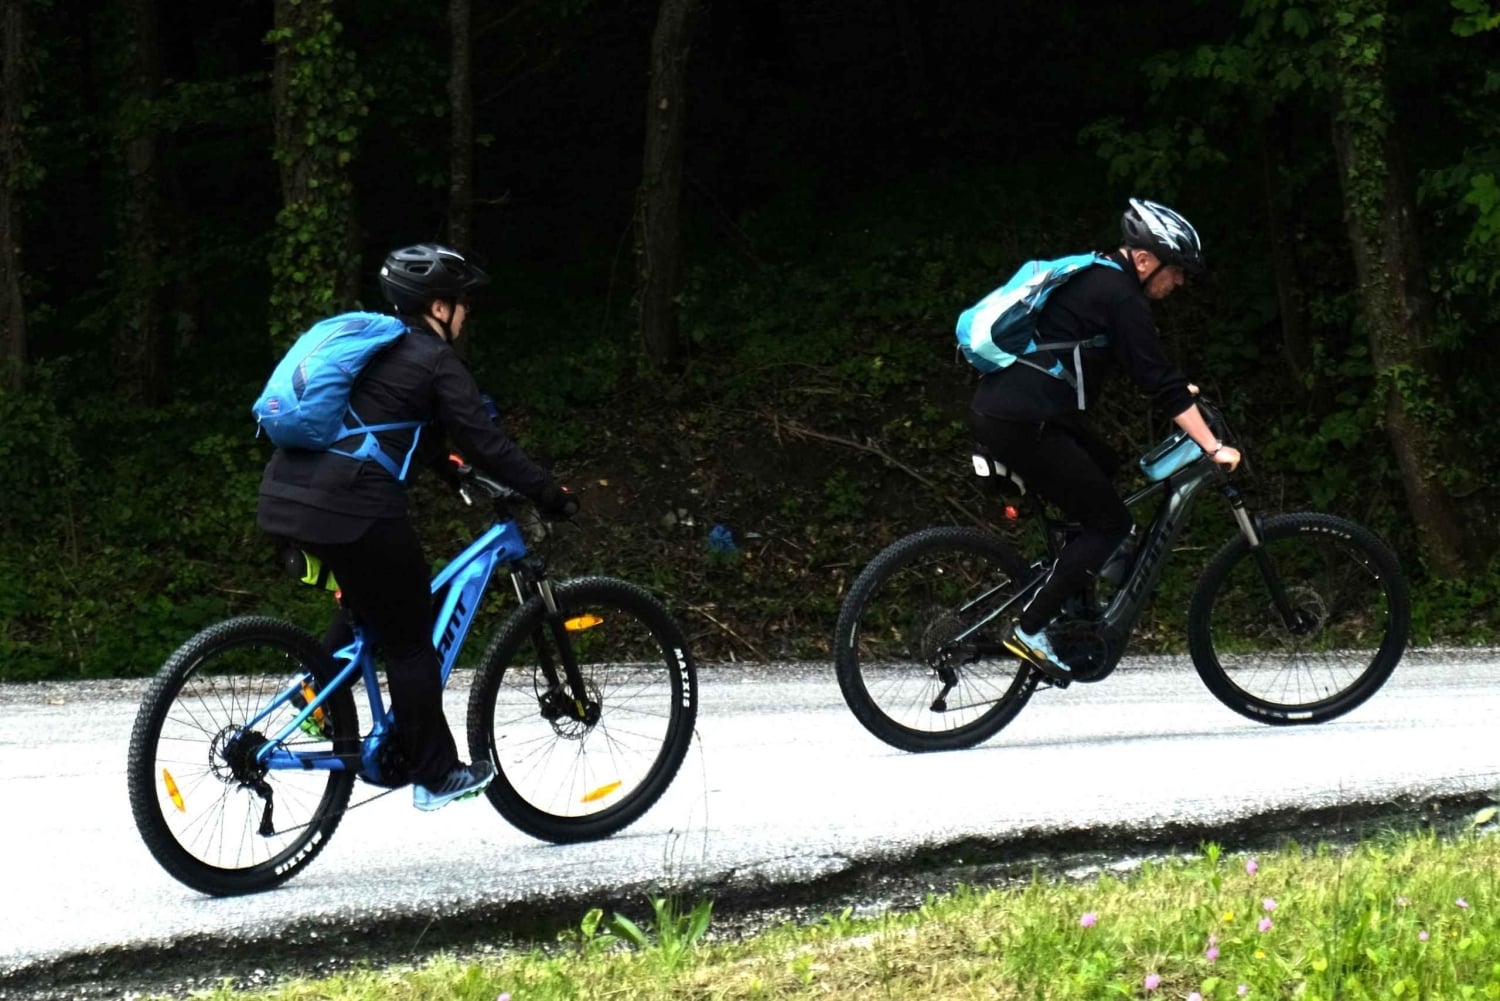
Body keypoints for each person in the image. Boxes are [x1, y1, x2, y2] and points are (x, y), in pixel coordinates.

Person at [257, 243, 579, 810]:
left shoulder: (378, 351)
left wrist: (446, 468)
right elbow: (483, 438)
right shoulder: (434, 360)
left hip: (285, 497)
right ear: (437, 307)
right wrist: (549, 494)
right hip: (351, 507)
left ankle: (315, 697)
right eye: (460, 304)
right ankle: (435, 773)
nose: (465, 314)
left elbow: (397, 425)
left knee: (371, 604)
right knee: (411, 636)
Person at [970, 199, 1241, 683]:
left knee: (1106, 465)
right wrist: (1212, 446)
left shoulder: (1098, 279)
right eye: (1175, 271)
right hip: (1026, 421)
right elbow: (1157, 379)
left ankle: (1071, 595)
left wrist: (1182, 393)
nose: (1178, 283)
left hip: (1015, 412)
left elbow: (1127, 360)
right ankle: (1032, 628)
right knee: (1111, 523)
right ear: (1144, 259)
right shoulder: (1121, 295)